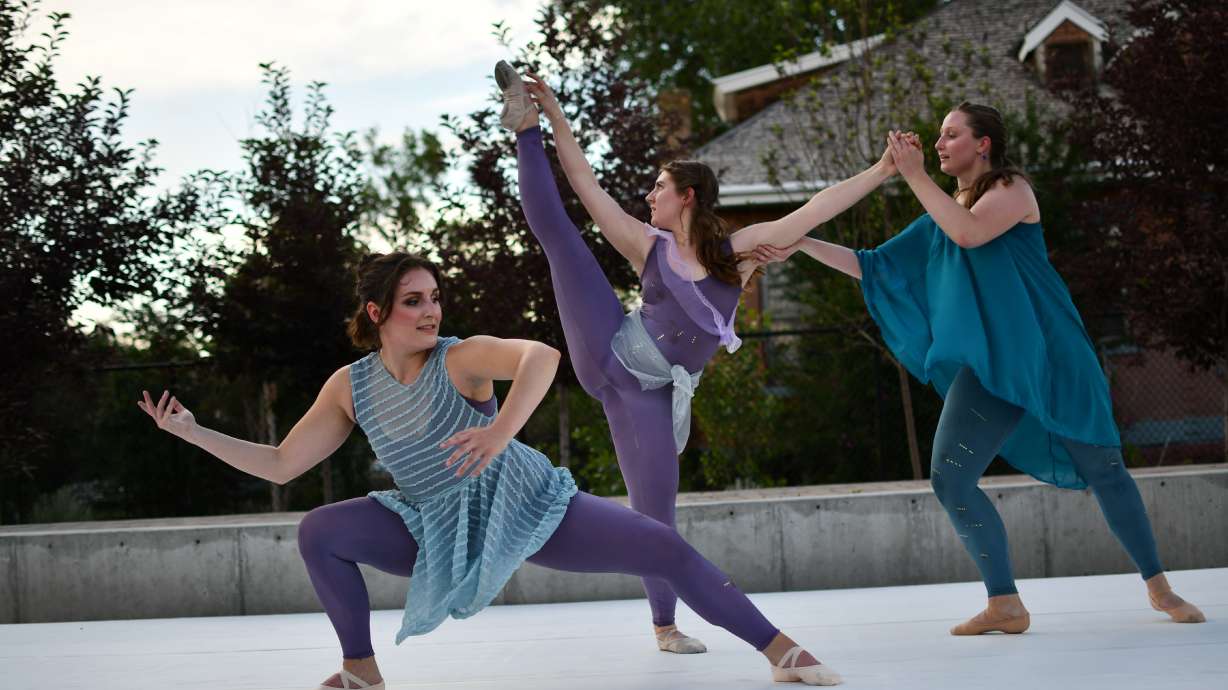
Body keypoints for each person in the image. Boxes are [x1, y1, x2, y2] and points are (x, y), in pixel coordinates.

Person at [138, 252, 843, 688]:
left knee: (661, 546)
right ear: (377, 311)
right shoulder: (350, 385)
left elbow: (541, 357)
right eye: (414, 300)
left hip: (525, 502)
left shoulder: (459, 356)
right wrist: (194, 433)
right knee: (319, 530)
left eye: (435, 297)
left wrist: (501, 432)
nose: (430, 309)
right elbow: (282, 463)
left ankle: (782, 651)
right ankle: (361, 671)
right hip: (438, 525)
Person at [752, 102, 1206, 635]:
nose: (939, 143)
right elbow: (871, 265)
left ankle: (1159, 587)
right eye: (939, 137)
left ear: (983, 143)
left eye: (951, 134)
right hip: (988, 366)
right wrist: (799, 241)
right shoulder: (940, 215)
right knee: (951, 480)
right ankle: (1005, 603)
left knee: (1104, 470)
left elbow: (969, 233)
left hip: (1049, 355)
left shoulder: (1012, 191)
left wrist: (916, 175)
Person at [496, 60, 903, 652]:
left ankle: (664, 627)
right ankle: (522, 126)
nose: (648, 194)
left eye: (658, 187)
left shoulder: (737, 254)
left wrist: (883, 168)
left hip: (650, 396)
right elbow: (584, 183)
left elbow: (815, 210)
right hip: (610, 347)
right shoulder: (645, 242)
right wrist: (554, 115)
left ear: (687, 196)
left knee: (655, 514)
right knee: (561, 239)